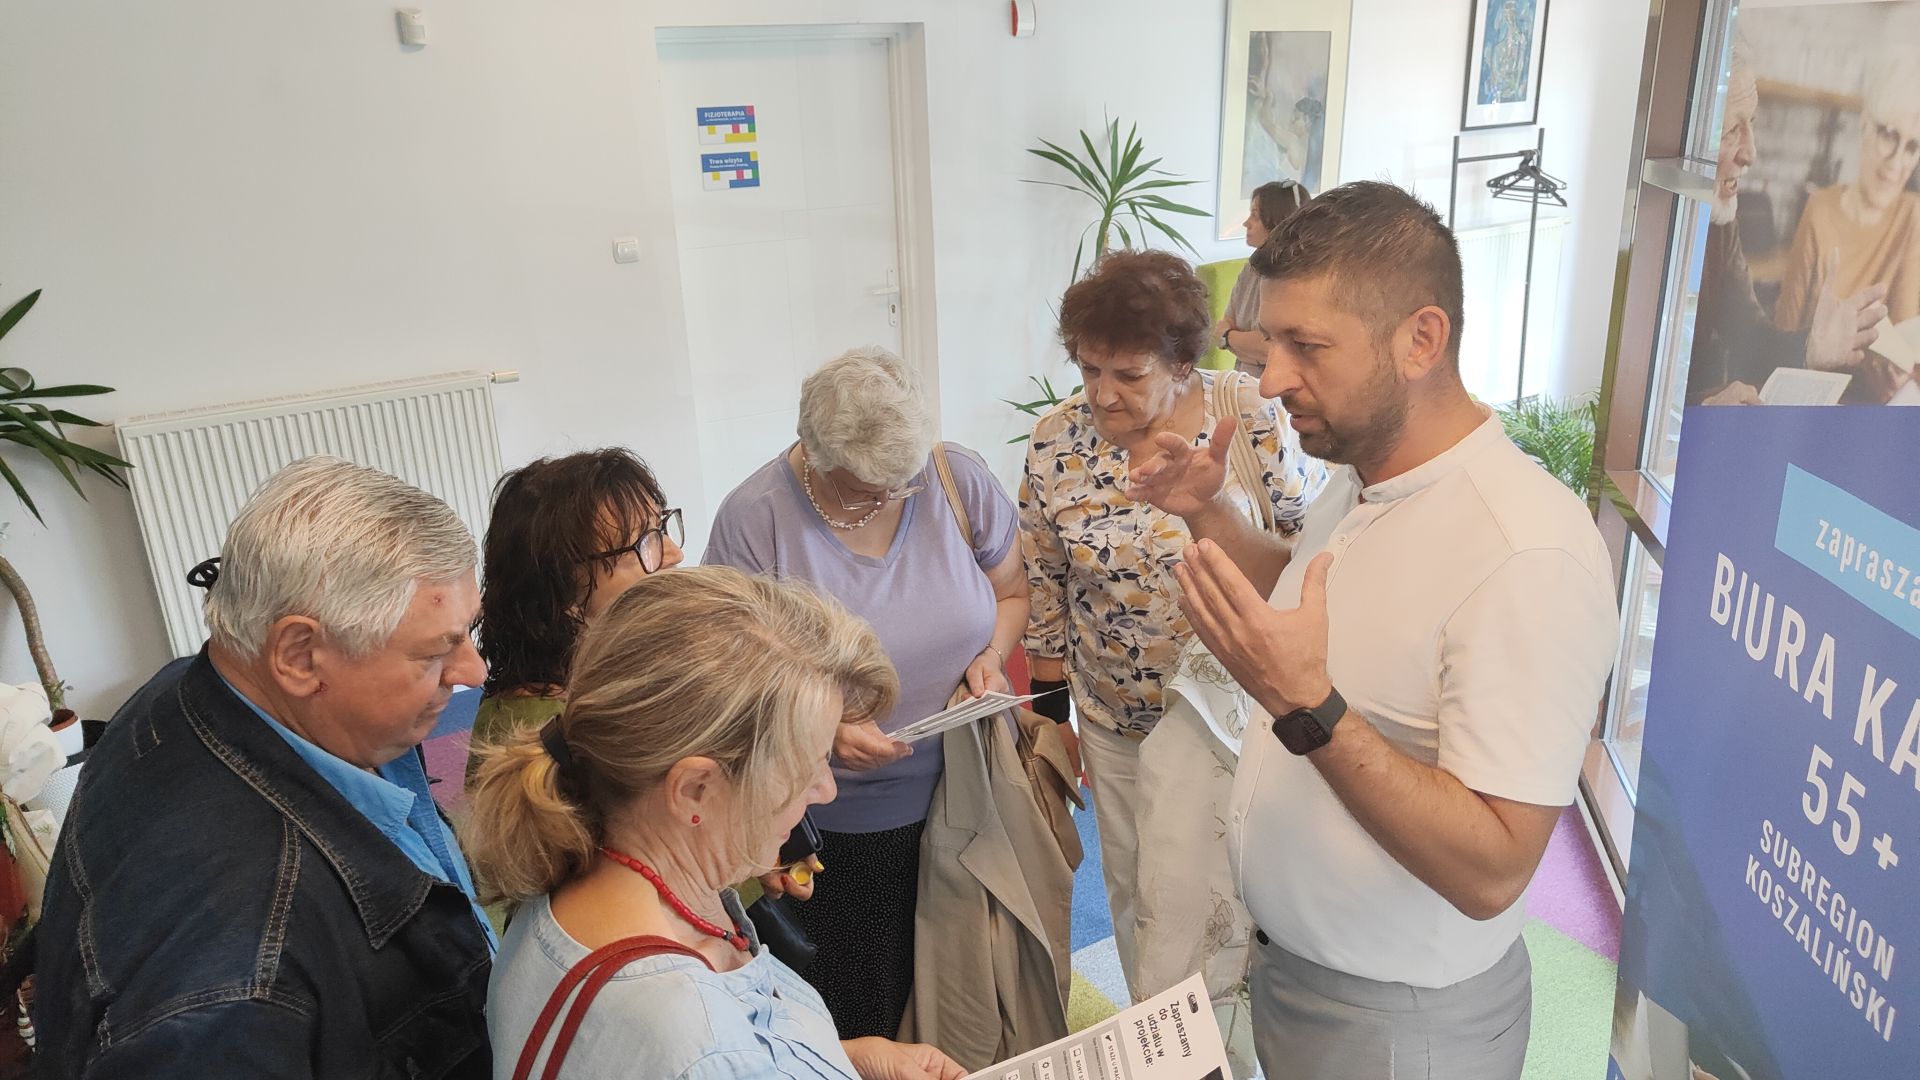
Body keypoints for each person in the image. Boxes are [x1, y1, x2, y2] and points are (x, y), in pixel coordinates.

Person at [1127, 181, 1619, 1080]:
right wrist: (1210, 512)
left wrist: (1305, 706)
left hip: (1401, 1027)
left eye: (1306, 346)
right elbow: (1317, 610)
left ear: (1420, 340)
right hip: (1296, 974)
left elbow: (1494, 870)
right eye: (1271, 341)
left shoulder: (1527, 553)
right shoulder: (1367, 475)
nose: (1272, 379)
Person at [34, 457, 496, 1077]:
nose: (473, 672)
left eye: (468, 633)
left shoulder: (198, 685)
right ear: (300, 655)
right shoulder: (239, 988)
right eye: (438, 650)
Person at [471, 565, 966, 1080]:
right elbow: (705, 1056)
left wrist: (837, 1058)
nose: (826, 789)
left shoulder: (573, 877)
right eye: (807, 766)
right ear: (695, 790)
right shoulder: (704, 1048)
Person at [1021, 249, 1325, 1004]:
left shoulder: (1248, 415)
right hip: (1116, 719)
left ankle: (1246, 1038)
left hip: (1239, 721)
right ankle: (1165, 1039)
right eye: (1090, 369)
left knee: (1243, 889)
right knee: (1139, 895)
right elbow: (1045, 585)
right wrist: (1051, 717)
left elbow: (1308, 552)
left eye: (1129, 374)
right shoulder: (1056, 440)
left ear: (1184, 364)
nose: (1103, 393)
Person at [703, 346, 1029, 1041]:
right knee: (862, 1014)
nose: (890, 499)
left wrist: (991, 657)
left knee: (975, 998)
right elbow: (731, 684)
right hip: (841, 824)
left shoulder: (953, 477)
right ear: (815, 456)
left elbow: (1012, 593)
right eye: (866, 489)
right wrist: (821, 730)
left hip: (973, 796)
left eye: (902, 484)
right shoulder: (755, 519)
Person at [1689, 38, 1890, 405]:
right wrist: (1703, 406)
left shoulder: (1720, 222)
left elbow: (1749, 338)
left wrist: (1810, 347)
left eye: (1750, 123)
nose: (1751, 153)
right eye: (1730, 130)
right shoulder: (1640, 232)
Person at [468, 448, 683, 777]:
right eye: (643, 542)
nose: (674, 554)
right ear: (564, 589)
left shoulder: (595, 681)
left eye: (660, 528)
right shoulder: (549, 738)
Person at [1771, 45, 1920, 400]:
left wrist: (1896, 372)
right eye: (1889, 134)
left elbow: (1903, 340)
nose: (1896, 162)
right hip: (1814, 394)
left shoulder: (1913, 215)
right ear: (1864, 124)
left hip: (1873, 401)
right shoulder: (1820, 211)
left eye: (1912, 146)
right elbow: (1783, 334)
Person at [1217, 180, 1314, 375]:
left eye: (1255, 215)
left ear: (1278, 221)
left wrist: (1228, 338)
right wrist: (1237, 338)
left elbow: (1270, 349)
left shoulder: (1298, 278)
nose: (1246, 223)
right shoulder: (1250, 268)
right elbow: (1225, 322)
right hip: (1242, 382)